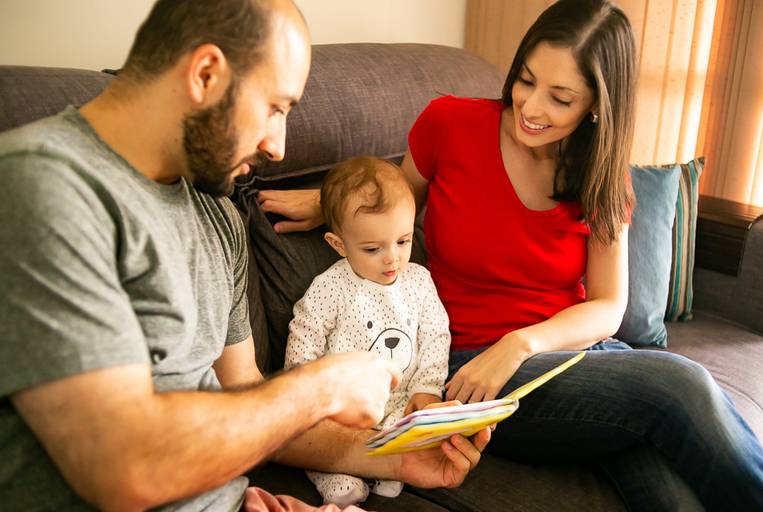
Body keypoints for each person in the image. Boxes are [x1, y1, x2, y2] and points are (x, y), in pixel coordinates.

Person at [257, 0, 763, 509]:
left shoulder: (601, 174)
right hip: (473, 369)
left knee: (671, 492)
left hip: (570, 356)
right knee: (683, 385)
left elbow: (609, 306)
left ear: (596, 105)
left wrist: (520, 344)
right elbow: (389, 205)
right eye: (526, 80)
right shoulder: (450, 124)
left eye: (560, 98)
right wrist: (328, 200)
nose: (531, 107)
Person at [0, 1, 490, 511]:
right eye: (275, 108)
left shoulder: (215, 215)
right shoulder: (43, 188)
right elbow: (124, 468)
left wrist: (393, 458)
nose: (278, 147)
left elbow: (250, 402)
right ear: (205, 74)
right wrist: (318, 389)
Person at [284, 156, 451, 507]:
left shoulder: (419, 281)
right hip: (345, 407)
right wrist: (308, 387)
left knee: (418, 432)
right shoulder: (331, 286)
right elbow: (305, 334)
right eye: (373, 249)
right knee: (327, 442)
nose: (392, 258)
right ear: (339, 245)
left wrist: (428, 388)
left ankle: (389, 467)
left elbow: (436, 335)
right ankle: (338, 477)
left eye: (403, 241)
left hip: (401, 402)